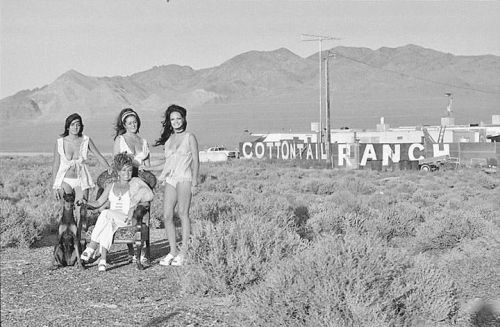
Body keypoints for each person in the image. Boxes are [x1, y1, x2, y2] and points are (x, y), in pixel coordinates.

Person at [80, 153, 154, 271]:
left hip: (127, 219)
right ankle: (103, 261)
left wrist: (133, 207)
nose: (127, 173)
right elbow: (98, 203)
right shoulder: (111, 185)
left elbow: (149, 196)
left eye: (129, 170)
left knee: (105, 213)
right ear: (118, 172)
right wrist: (85, 203)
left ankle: (92, 246)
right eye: (124, 171)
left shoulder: (135, 182)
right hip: (112, 219)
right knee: (108, 222)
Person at [149, 104, 200, 266]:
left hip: (185, 178)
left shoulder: (189, 137)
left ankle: (184, 252)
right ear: (169, 122)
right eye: (173, 119)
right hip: (170, 178)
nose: (176, 121)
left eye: (179, 118)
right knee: (167, 216)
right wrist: (148, 167)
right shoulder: (169, 140)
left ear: (184, 119)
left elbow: (196, 161)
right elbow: (166, 163)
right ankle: (173, 251)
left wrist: (195, 182)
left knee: (183, 213)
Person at [52, 113, 111, 228]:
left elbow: (98, 155)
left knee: (81, 211)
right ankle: (65, 239)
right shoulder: (60, 142)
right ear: (68, 126)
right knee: (67, 211)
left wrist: (109, 168)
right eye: (73, 124)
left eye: (78, 125)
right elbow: (56, 164)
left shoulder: (86, 140)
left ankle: (79, 240)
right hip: (64, 180)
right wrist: (54, 186)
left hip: (81, 180)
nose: (75, 127)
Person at [112, 108, 151, 263]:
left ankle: (144, 251)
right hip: (125, 181)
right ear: (124, 125)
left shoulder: (144, 142)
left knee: (143, 213)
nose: (133, 125)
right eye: (129, 123)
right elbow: (116, 162)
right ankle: (131, 250)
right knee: (127, 214)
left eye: (134, 122)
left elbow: (148, 164)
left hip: (140, 181)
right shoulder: (120, 140)